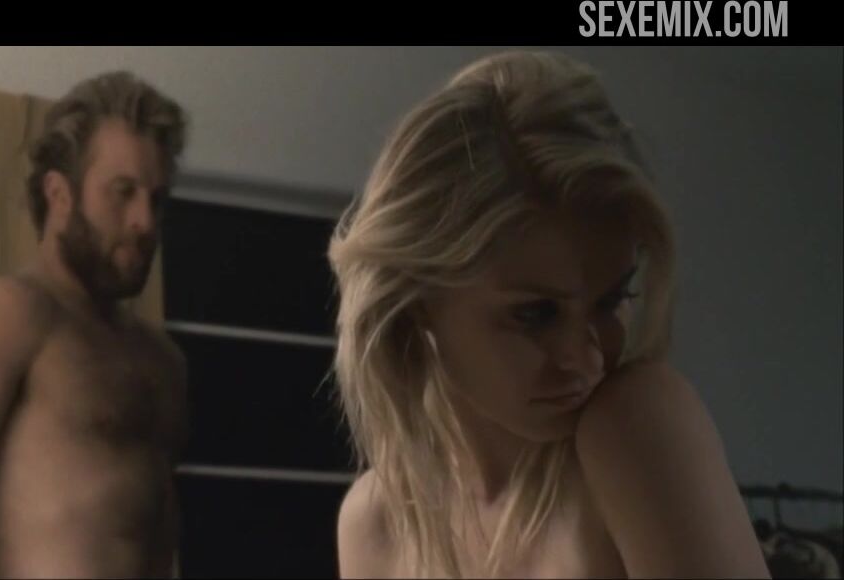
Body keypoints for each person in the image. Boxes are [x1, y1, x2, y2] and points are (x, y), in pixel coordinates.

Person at [329, 51, 770, 578]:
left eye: (611, 300)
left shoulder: (633, 428)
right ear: (417, 299)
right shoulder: (375, 525)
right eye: (535, 314)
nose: (586, 358)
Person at [0, 70, 190, 579]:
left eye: (156, 199)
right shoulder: (7, 312)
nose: (145, 221)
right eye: (123, 192)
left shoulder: (162, 360)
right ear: (59, 194)